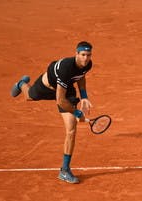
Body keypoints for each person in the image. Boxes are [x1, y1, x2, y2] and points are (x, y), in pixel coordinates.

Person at [10, 41, 94, 184]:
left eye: (88, 55)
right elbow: (60, 101)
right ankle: (21, 84)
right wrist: (77, 113)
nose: (86, 58)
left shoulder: (87, 64)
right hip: (47, 86)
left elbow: (81, 77)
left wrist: (84, 96)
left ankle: (64, 170)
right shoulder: (66, 68)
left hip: (66, 89)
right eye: (83, 55)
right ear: (76, 54)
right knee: (30, 96)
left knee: (71, 130)